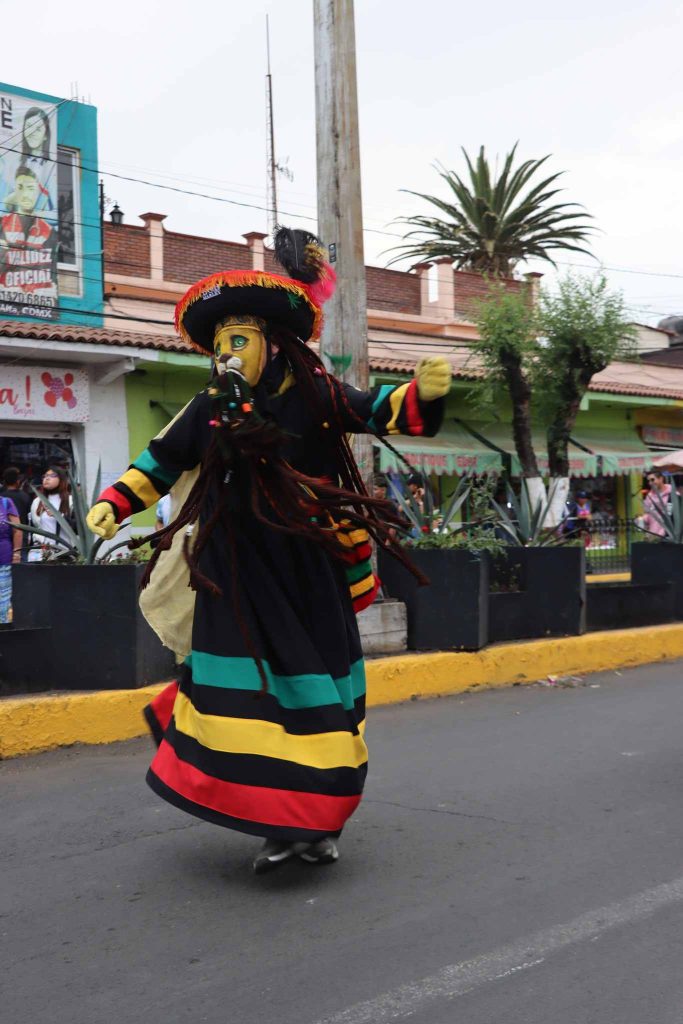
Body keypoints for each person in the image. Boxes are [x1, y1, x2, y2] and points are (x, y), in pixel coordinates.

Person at [86, 227, 451, 875]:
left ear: (270, 342)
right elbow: (161, 461)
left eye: (241, 339)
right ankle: (275, 823)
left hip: (306, 569)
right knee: (245, 696)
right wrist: (115, 502)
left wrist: (421, 396)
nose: (229, 352)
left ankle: (316, 820)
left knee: (315, 694)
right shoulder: (208, 409)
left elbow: (376, 411)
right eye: (222, 341)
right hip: (234, 573)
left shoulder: (313, 395)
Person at [29, 467, 72, 559]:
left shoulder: (71, 500)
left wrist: (59, 516)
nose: (47, 478)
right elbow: (34, 526)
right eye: (45, 476)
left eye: (52, 476)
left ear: (61, 479)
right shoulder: (37, 501)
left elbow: (78, 528)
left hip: (64, 552)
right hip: (42, 553)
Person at [0, 467, 31, 560]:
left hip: (6, 539)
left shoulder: (3, 497)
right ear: (18, 481)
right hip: (21, 539)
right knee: (21, 569)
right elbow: (30, 516)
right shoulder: (25, 496)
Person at [0, 493, 21, 624]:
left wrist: (17, 554)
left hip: (4, 559)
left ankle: (3, 629)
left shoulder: (6, 503)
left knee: (4, 598)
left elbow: (18, 530)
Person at [643, 472, 672, 536]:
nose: (650, 483)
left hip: (669, 537)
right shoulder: (649, 497)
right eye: (649, 481)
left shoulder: (673, 495)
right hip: (653, 536)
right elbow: (647, 515)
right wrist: (642, 520)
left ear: (661, 479)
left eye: (652, 480)